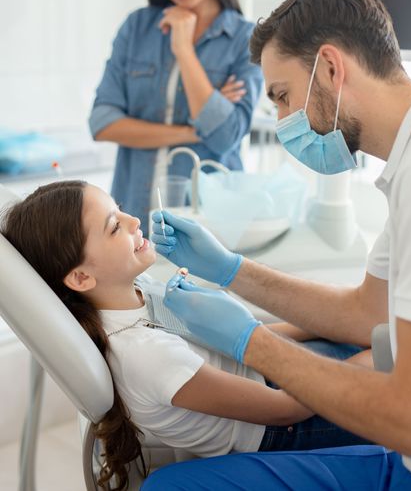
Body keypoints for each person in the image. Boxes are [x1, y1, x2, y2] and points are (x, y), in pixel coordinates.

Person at [147, 0, 411, 489]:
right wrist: (231, 271)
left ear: (330, 67)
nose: (283, 121)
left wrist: (250, 341)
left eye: (282, 97)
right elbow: (365, 313)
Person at [1, 180, 373, 490]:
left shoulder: (138, 293)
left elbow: (241, 338)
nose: (134, 220)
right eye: (114, 226)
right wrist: (360, 369)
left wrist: (323, 325)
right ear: (81, 278)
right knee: (394, 371)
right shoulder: (146, 356)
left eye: (119, 208)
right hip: (284, 424)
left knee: (375, 339)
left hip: (273, 373)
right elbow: (282, 411)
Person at [89, 0, 263, 233]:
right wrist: (195, 131)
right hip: (132, 218)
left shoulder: (245, 38)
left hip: (210, 225)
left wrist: (184, 49)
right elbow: (102, 122)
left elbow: (226, 137)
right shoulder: (137, 27)